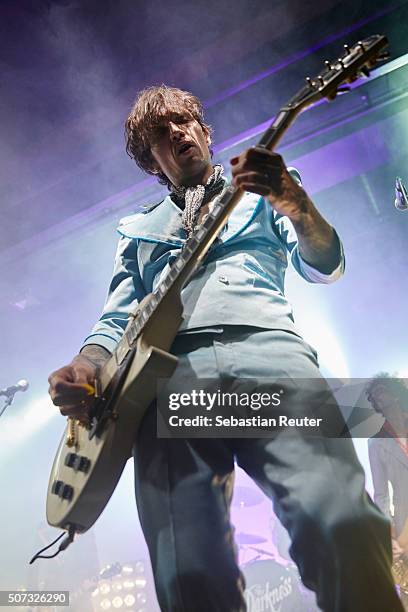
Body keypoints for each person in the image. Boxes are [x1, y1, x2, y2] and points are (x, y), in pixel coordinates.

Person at [48, 85, 404, 611]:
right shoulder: (137, 232)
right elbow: (115, 319)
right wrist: (84, 365)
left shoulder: (264, 190)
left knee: (340, 522)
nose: (175, 132)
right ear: (152, 162)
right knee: (189, 571)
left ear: (203, 131)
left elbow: (325, 266)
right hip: (168, 382)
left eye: (183, 121)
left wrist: (296, 202)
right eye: (159, 133)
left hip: (270, 357)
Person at [367, 374, 408, 607]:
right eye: (374, 396)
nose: (378, 397)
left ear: (394, 392)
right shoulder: (376, 442)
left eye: (381, 390)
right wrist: (389, 529)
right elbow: (380, 493)